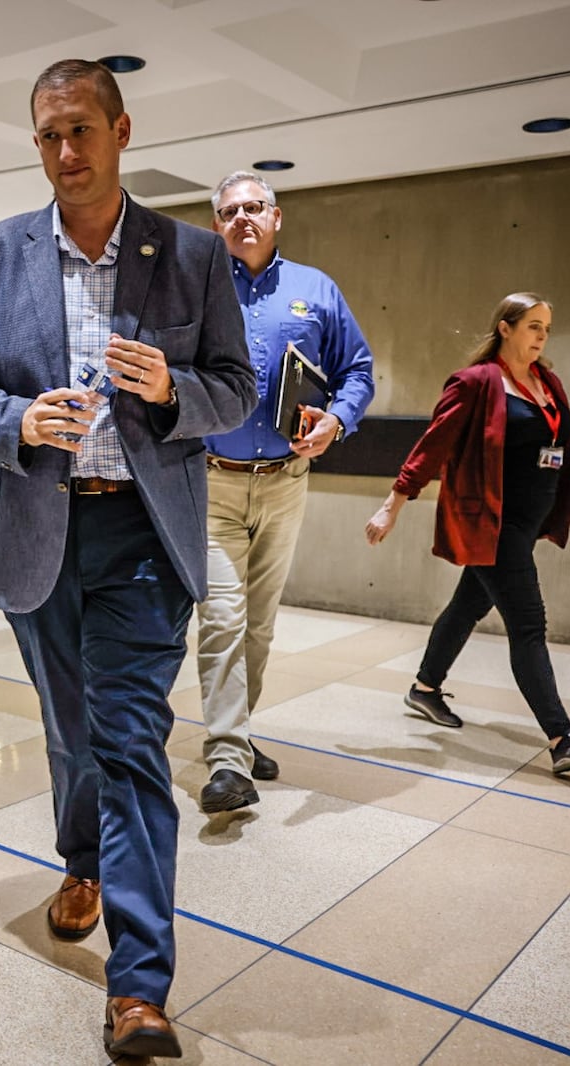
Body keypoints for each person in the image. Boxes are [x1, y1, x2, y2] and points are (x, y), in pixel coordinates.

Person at [0, 60, 254, 1059]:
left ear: (120, 130)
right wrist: (18, 417)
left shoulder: (190, 255)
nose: (64, 152)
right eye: (47, 135)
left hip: (142, 539)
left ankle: (139, 985)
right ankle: (81, 859)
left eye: (80, 130)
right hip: (38, 532)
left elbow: (236, 390)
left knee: (130, 745)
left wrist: (171, 389)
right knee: (71, 733)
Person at [365, 292, 570, 775]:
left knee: (468, 605)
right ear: (506, 328)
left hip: (528, 523)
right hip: (491, 523)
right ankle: (563, 739)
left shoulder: (547, 383)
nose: (542, 336)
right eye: (533, 327)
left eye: (546, 328)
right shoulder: (476, 383)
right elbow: (431, 447)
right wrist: (392, 505)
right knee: (528, 626)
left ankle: (424, 689)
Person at [194, 172, 376, 814]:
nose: (242, 218)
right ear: (216, 223)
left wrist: (337, 419)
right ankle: (225, 759)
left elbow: (358, 369)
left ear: (277, 217)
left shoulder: (315, 289)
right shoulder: (199, 286)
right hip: (212, 482)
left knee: (261, 627)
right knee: (222, 617)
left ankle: (236, 737)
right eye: (229, 211)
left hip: (285, 483)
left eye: (253, 208)